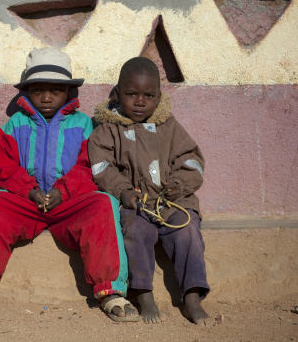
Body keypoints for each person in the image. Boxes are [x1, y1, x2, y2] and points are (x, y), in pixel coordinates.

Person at [0, 47, 140, 323]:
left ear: (68, 92)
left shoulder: (85, 124)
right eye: (38, 90)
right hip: (28, 203)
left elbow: (90, 165)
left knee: (104, 204)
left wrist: (64, 190)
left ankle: (110, 291)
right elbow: (3, 167)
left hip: (69, 204)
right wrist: (29, 189)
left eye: (55, 90)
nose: (46, 97)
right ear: (27, 91)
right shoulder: (15, 124)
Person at [88, 57, 214, 326]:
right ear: (117, 93)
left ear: (159, 96)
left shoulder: (169, 126)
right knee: (136, 232)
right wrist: (122, 191)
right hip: (137, 204)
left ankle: (191, 296)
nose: (140, 102)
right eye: (132, 94)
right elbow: (101, 167)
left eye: (149, 95)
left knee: (187, 230)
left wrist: (179, 185)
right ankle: (144, 293)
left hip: (173, 202)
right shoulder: (108, 130)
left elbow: (191, 161)